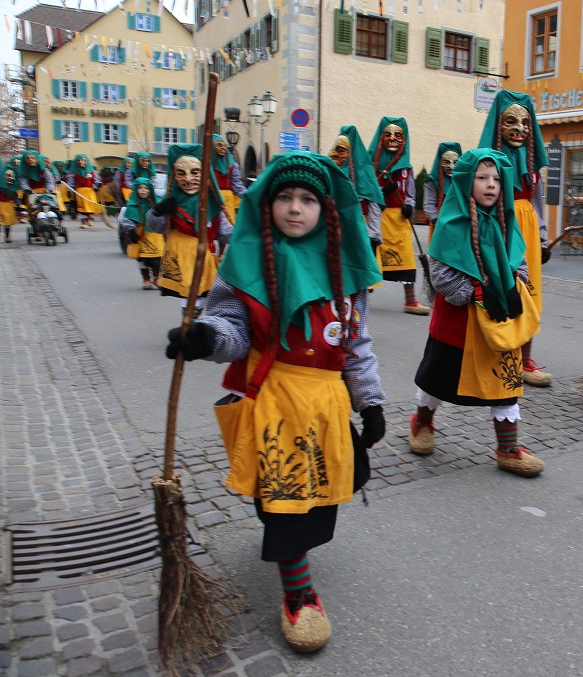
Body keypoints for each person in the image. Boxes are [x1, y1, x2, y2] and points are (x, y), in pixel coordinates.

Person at [164, 151, 385, 653]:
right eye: (284, 196)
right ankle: (299, 594)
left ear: (325, 210)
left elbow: (356, 344)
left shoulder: (342, 271)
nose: (294, 207)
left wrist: (369, 401)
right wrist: (204, 337)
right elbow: (233, 329)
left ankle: (296, 559)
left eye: (307, 198)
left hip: (326, 405)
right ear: (267, 206)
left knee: (317, 501)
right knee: (286, 504)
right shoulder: (245, 266)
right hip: (277, 401)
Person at [408, 148, 544, 476]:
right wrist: (474, 293)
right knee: (438, 379)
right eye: (482, 177)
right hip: (458, 322)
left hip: (499, 318)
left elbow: (518, 259)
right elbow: (440, 271)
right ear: (468, 180)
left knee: (504, 380)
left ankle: (508, 447)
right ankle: (422, 421)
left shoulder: (504, 221)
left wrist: (515, 286)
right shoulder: (451, 223)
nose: (491, 184)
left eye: (496, 179)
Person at [477, 90, 552, 387]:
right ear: (498, 125)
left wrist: (543, 239)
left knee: (530, 295)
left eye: (525, 122)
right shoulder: (487, 166)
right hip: (499, 228)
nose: (519, 129)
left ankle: (525, 360)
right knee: (499, 289)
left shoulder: (532, 167)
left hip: (529, 231)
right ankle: (498, 353)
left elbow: (538, 203)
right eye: (511, 121)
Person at [145, 145, 232, 307]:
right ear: (174, 176)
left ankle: (193, 326)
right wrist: (157, 211)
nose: (188, 179)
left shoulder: (211, 205)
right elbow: (155, 226)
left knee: (205, 299)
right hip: (181, 259)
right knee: (190, 299)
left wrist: (246, 234)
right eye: (181, 173)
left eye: (195, 172)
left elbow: (224, 232)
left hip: (205, 258)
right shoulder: (172, 204)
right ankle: (190, 325)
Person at [369, 117, 429, 315]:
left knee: (405, 259)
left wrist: (410, 206)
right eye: (388, 134)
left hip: (399, 220)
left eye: (398, 135)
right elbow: (368, 189)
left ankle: (410, 301)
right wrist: (384, 191)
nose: (393, 138)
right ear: (381, 137)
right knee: (371, 258)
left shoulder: (406, 169)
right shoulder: (372, 165)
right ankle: (359, 299)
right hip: (377, 218)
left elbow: (410, 194)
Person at [328, 126, 384, 254]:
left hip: (361, 229)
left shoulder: (365, 173)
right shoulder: (331, 170)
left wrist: (373, 236)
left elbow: (374, 205)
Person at [119, 177, 165, 290]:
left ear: (150, 190)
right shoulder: (131, 205)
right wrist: (130, 231)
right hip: (140, 235)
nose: (143, 190)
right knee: (142, 259)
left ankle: (156, 278)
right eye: (140, 188)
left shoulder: (156, 203)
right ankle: (146, 279)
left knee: (157, 258)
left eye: (146, 188)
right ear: (136, 189)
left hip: (154, 235)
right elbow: (127, 219)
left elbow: (163, 218)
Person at [422, 142, 462, 241]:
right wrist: (437, 220)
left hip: (459, 224)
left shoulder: (464, 180)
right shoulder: (432, 181)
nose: (451, 166)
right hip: (438, 224)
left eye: (455, 162)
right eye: (446, 162)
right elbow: (428, 204)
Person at [212, 134, 246, 222]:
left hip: (227, 201)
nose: (223, 148)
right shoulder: (205, 164)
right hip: (211, 199)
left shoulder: (232, 165)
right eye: (219, 145)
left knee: (228, 228)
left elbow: (237, 186)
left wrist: (249, 196)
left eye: (223, 145)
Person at [66, 154, 103, 229]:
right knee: (82, 207)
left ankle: (89, 218)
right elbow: (71, 182)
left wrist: (97, 184)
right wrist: (70, 190)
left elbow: (95, 180)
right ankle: (83, 221)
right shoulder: (74, 172)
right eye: (79, 160)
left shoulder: (91, 171)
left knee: (90, 206)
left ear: (86, 161)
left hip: (90, 191)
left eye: (83, 160)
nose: (81, 162)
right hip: (80, 191)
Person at [0, 167, 18, 242]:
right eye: (7, 176)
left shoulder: (14, 186)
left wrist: (19, 205)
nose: (9, 178)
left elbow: (16, 197)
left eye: (10, 176)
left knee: (8, 221)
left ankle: (7, 236)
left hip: (9, 204)